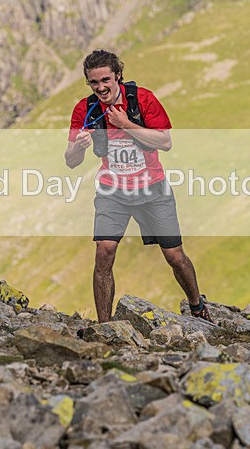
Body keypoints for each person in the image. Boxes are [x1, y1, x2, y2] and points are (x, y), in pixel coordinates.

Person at [65, 49, 213, 324]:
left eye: (105, 80)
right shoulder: (85, 110)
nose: (100, 87)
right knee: (104, 253)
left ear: (118, 76)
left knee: (174, 256)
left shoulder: (143, 99)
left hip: (152, 189)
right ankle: (105, 325)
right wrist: (79, 148)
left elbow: (165, 142)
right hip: (112, 192)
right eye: (94, 82)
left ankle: (197, 306)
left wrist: (126, 124)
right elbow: (70, 160)